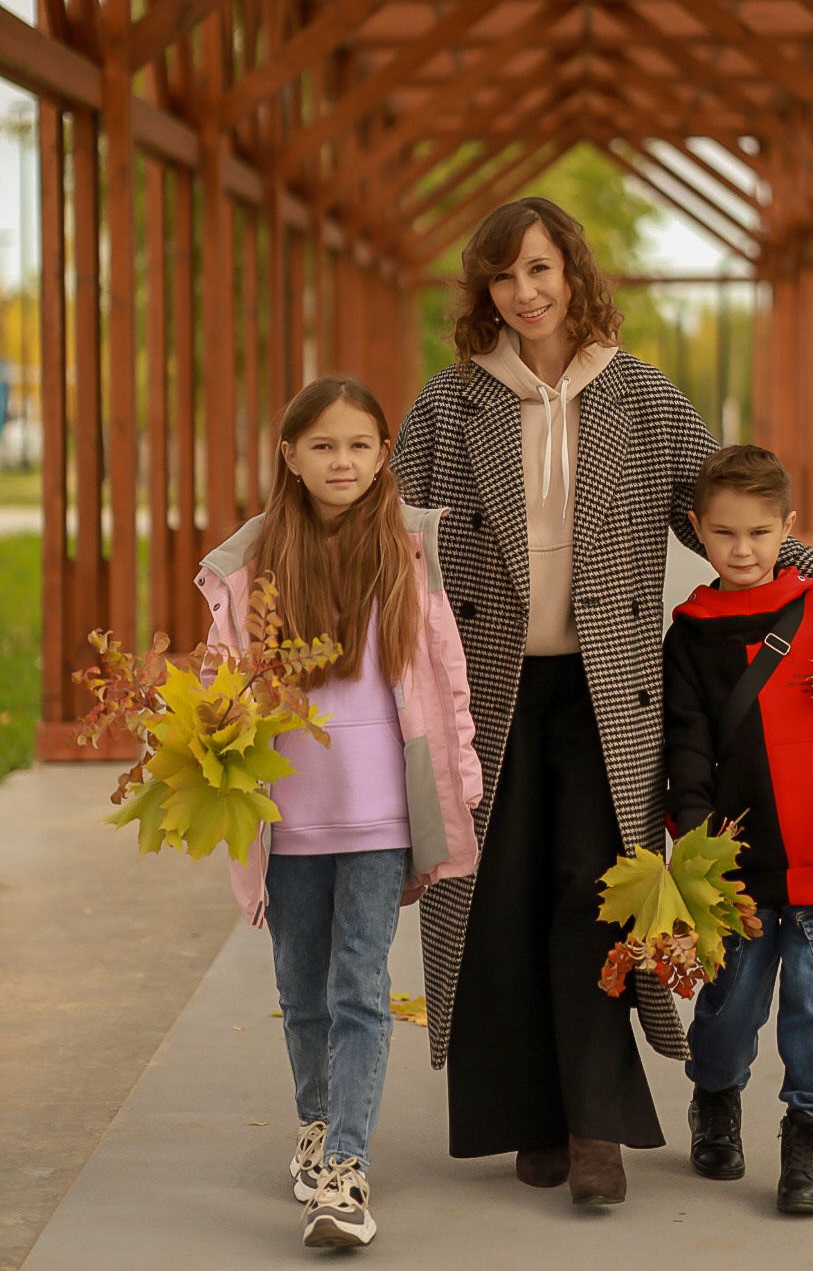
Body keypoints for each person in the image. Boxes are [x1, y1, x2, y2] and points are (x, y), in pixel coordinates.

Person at [390, 197, 813, 1206]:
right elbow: (385, 533)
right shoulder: (447, 404)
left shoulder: (641, 398)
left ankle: (596, 1125)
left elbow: (723, 512)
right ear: (487, 293)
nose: (526, 292)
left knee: (597, 894)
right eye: (505, 276)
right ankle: (528, 1122)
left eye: (542, 269)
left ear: (575, 275)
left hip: (611, 688)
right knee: (497, 899)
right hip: (488, 690)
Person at [194, 375, 481, 1252]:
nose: (342, 461)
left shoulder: (408, 552)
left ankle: (346, 1169)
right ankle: (316, 1123)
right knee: (300, 987)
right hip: (287, 812)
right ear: (289, 456)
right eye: (322, 445)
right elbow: (217, 672)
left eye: (359, 444)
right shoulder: (249, 565)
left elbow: (445, 673)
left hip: (382, 813)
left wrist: (461, 773)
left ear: (384, 452)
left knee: (360, 984)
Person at [663, 443, 813, 1216]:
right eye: (725, 533)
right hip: (739, 861)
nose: (742, 550)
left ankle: (809, 1135)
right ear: (696, 530)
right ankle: (717, 1096)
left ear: (788, 528)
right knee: (730, 1003)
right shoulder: (690, 634)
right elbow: (686, 743)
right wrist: (694, 842)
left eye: (761, 533)